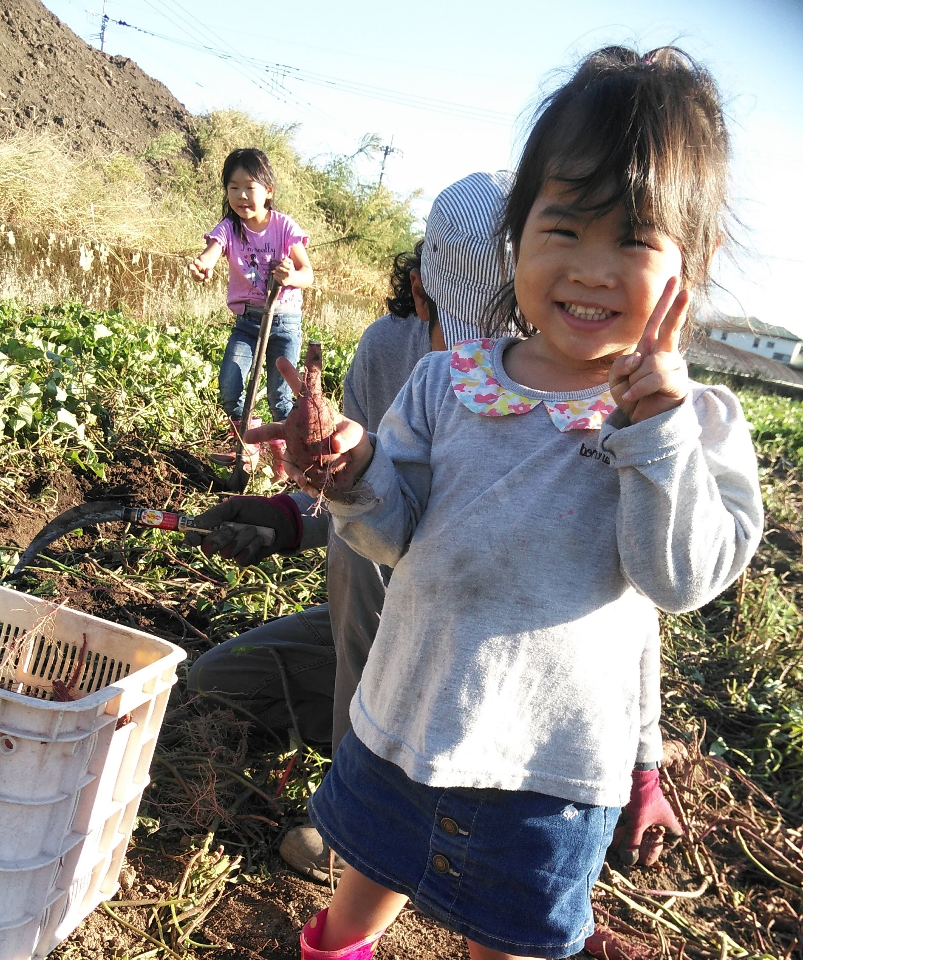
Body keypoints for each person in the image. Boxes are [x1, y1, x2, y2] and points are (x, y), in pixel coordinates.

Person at [257, 46, 765, 960]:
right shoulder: (446, 385)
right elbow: (393, 534)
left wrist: (655, 429)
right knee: (356, 899)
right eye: (564, 227)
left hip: (551, 774)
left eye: (635, 240)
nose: (593, 269)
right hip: (402, 722)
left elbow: (679, 578)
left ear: (697, 261)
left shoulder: (699, 426)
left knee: (512, 945)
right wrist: (351, 465)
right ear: (518, 234)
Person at [184, 171, 515, 882]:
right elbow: (353, 502)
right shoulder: (388, 347)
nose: (474, 357)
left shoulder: (535, 391)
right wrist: (279, 517)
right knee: (218, 684)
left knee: (361, 566)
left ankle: (362, 813)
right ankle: (379, 740)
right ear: (423, 287)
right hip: (378, 633)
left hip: (469, 654)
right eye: (459, 329)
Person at [189, 147, 313, 424]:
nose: (241, 195)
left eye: (249, 187)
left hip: (285, 324)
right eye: (233, 188)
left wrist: (289, 278)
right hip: (246, 323)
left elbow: (307, 274)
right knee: (230, 386)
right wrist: (202, 265)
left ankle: (283, 461)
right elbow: (212, 250)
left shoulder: (284, 227)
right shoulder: (230, 228)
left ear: (268, 190)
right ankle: (247, 445)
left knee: (279, 399)